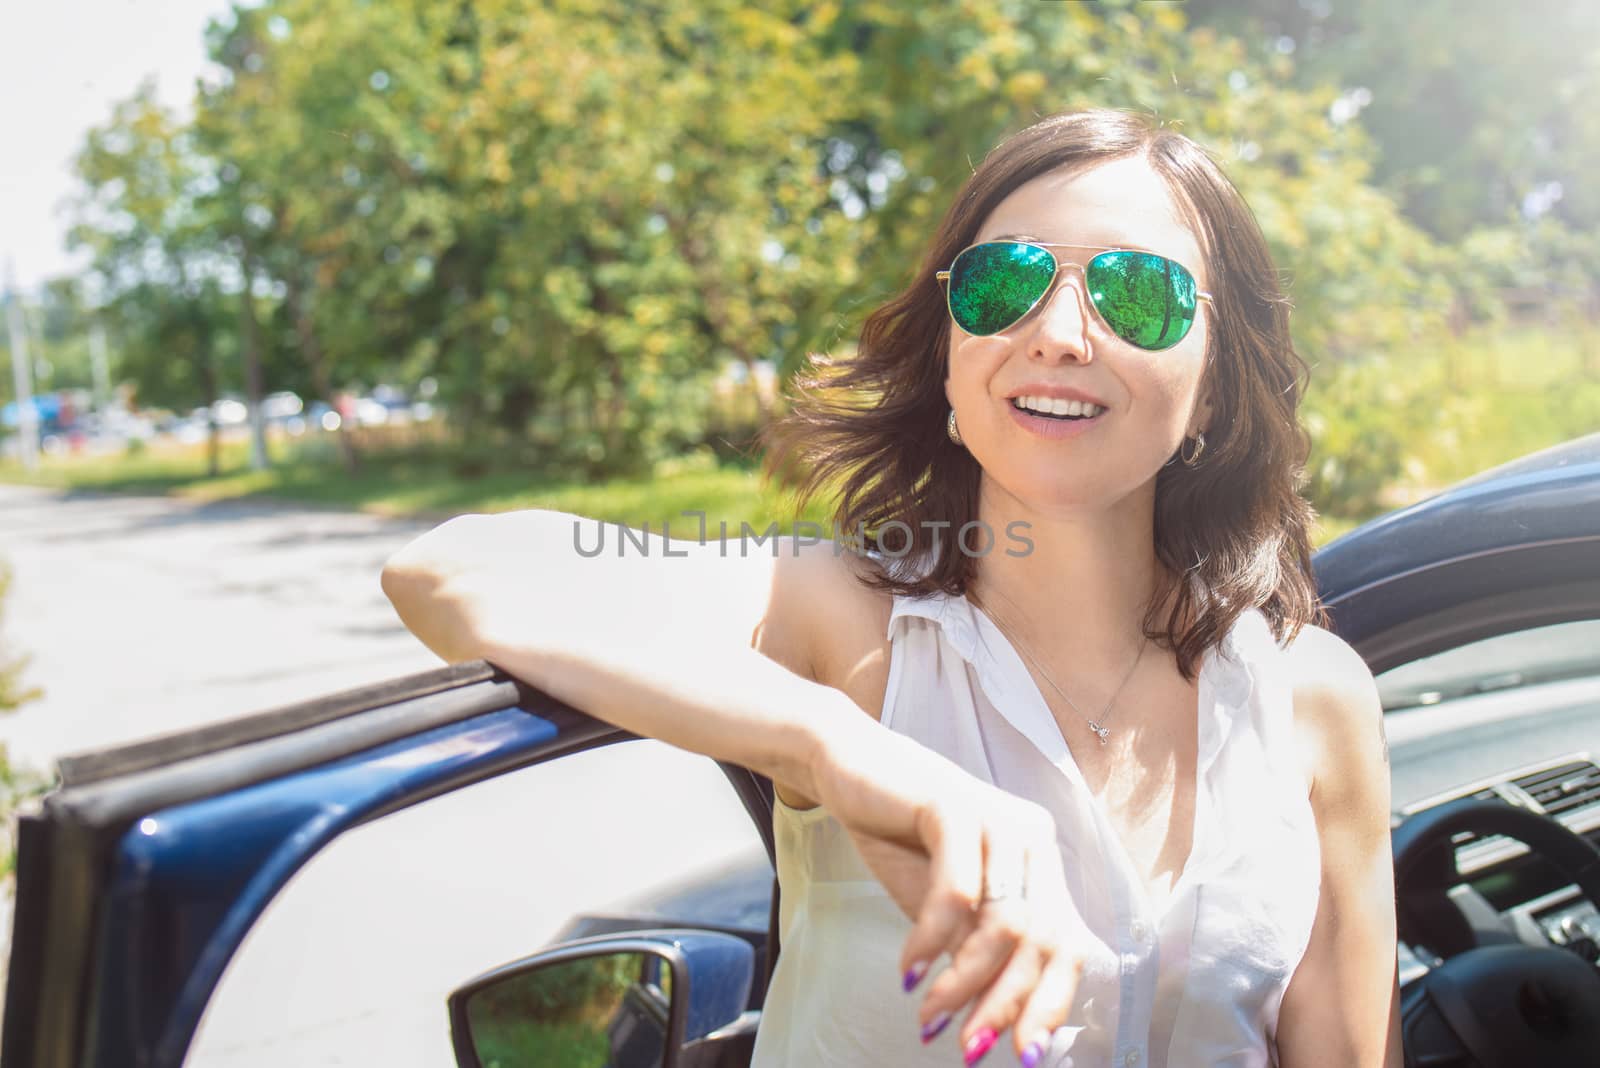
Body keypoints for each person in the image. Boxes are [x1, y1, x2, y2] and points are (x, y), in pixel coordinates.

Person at [382, 107, 1403, 1067]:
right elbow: (453, 569)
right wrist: (842, 754)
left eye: (1136, 292)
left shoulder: (1311, 697)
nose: (1055, 330)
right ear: (953, 361)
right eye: (1003, 284)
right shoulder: (841, 619)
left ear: (1216, 384)